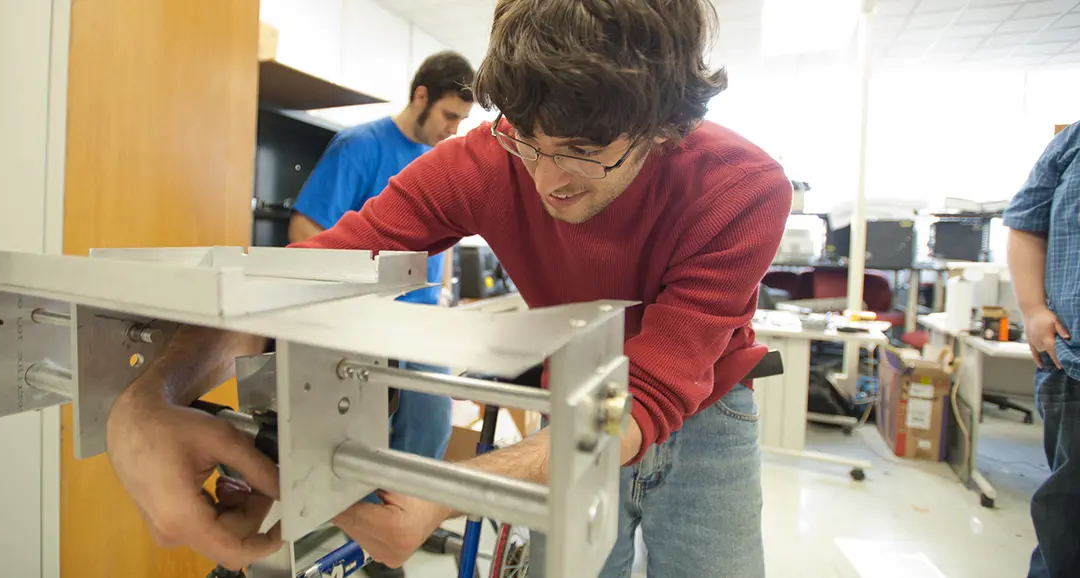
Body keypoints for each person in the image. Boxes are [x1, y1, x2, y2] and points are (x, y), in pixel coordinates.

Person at [104, 1, 792, 576]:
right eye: (528, 139)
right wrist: (149, 398)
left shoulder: (742, 188)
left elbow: (643, 399)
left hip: (707, 418)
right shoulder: (487, 160)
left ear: (664, 127)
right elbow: (312, 270)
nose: (549, 180)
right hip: (575, 401)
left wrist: (452, 490)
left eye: (585, 151)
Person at [285, 51, 474, 578]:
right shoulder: (359, 147)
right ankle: (372, 543)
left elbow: (443, 244)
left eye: (462, 120)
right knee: (367, 444)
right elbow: (304, 233)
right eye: (449, 117)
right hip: (366, 325)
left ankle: (407, 518)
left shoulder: (445, 162)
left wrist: (446, 301)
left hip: (421, 325)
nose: (454, 129)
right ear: (421, 97)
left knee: (428, 432)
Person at [1005, 122, 1079, 578]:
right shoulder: (1071, 143)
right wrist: (1032, 309)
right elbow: (1026, 222)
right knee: (1067, 520)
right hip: (1075, 361)